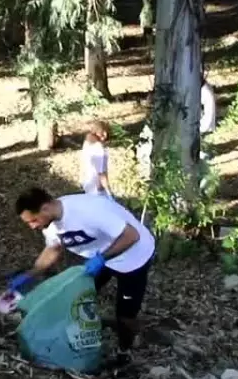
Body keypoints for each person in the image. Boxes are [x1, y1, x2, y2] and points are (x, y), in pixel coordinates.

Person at [10, 187, 157, 365]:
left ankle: (124, 353)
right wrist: (30, 274)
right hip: (101, 257)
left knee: (125, 316)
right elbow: (53, 249)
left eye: (33, 220)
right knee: (76, 296)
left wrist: (101, 259)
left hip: (133, 258)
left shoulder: (89, 211)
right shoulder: (50, 224)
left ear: (45, 208)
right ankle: (77, 336)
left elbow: (132, 235)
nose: (33, 226)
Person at [80, 120, 111, 196]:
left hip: (87, 183)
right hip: (97, 188)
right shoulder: (99, 148)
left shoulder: (86, 144)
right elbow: (101, 173)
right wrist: (108, 191)